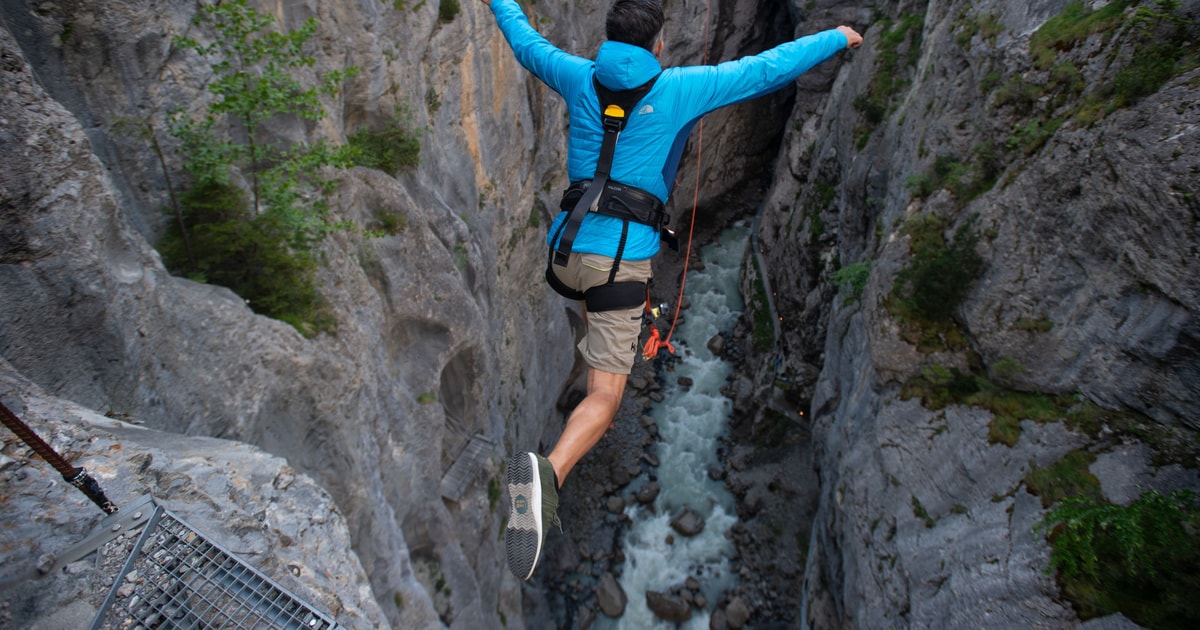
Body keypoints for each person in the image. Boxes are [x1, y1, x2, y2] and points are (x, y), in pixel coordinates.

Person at [482, 0, 862, 581]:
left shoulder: (573, 73)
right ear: (658, 45)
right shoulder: (682, 87)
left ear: (611, 40)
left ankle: (620, 333)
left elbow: (522, 37)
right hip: (618, 265)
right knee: (605, 398)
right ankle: (546, 477)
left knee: (603, 328)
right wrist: (836, 36)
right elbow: (769, 68)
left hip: (566, 255)